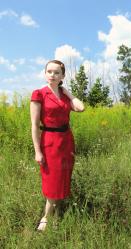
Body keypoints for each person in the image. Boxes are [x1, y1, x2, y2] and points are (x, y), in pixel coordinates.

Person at [30, 59, 84, 231]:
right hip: (50, 141)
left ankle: (57, 209)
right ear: (45, 73)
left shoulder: (64, 96)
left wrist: (67, 92)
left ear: (62, 76)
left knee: (63, 178)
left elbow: (81, 108)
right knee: (51, 180)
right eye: (49, 72)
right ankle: (46, 217)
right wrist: (37, 151)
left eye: (56, 72)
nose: (52, 75)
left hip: (66, 141)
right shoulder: (39, 94)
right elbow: (34, 125)